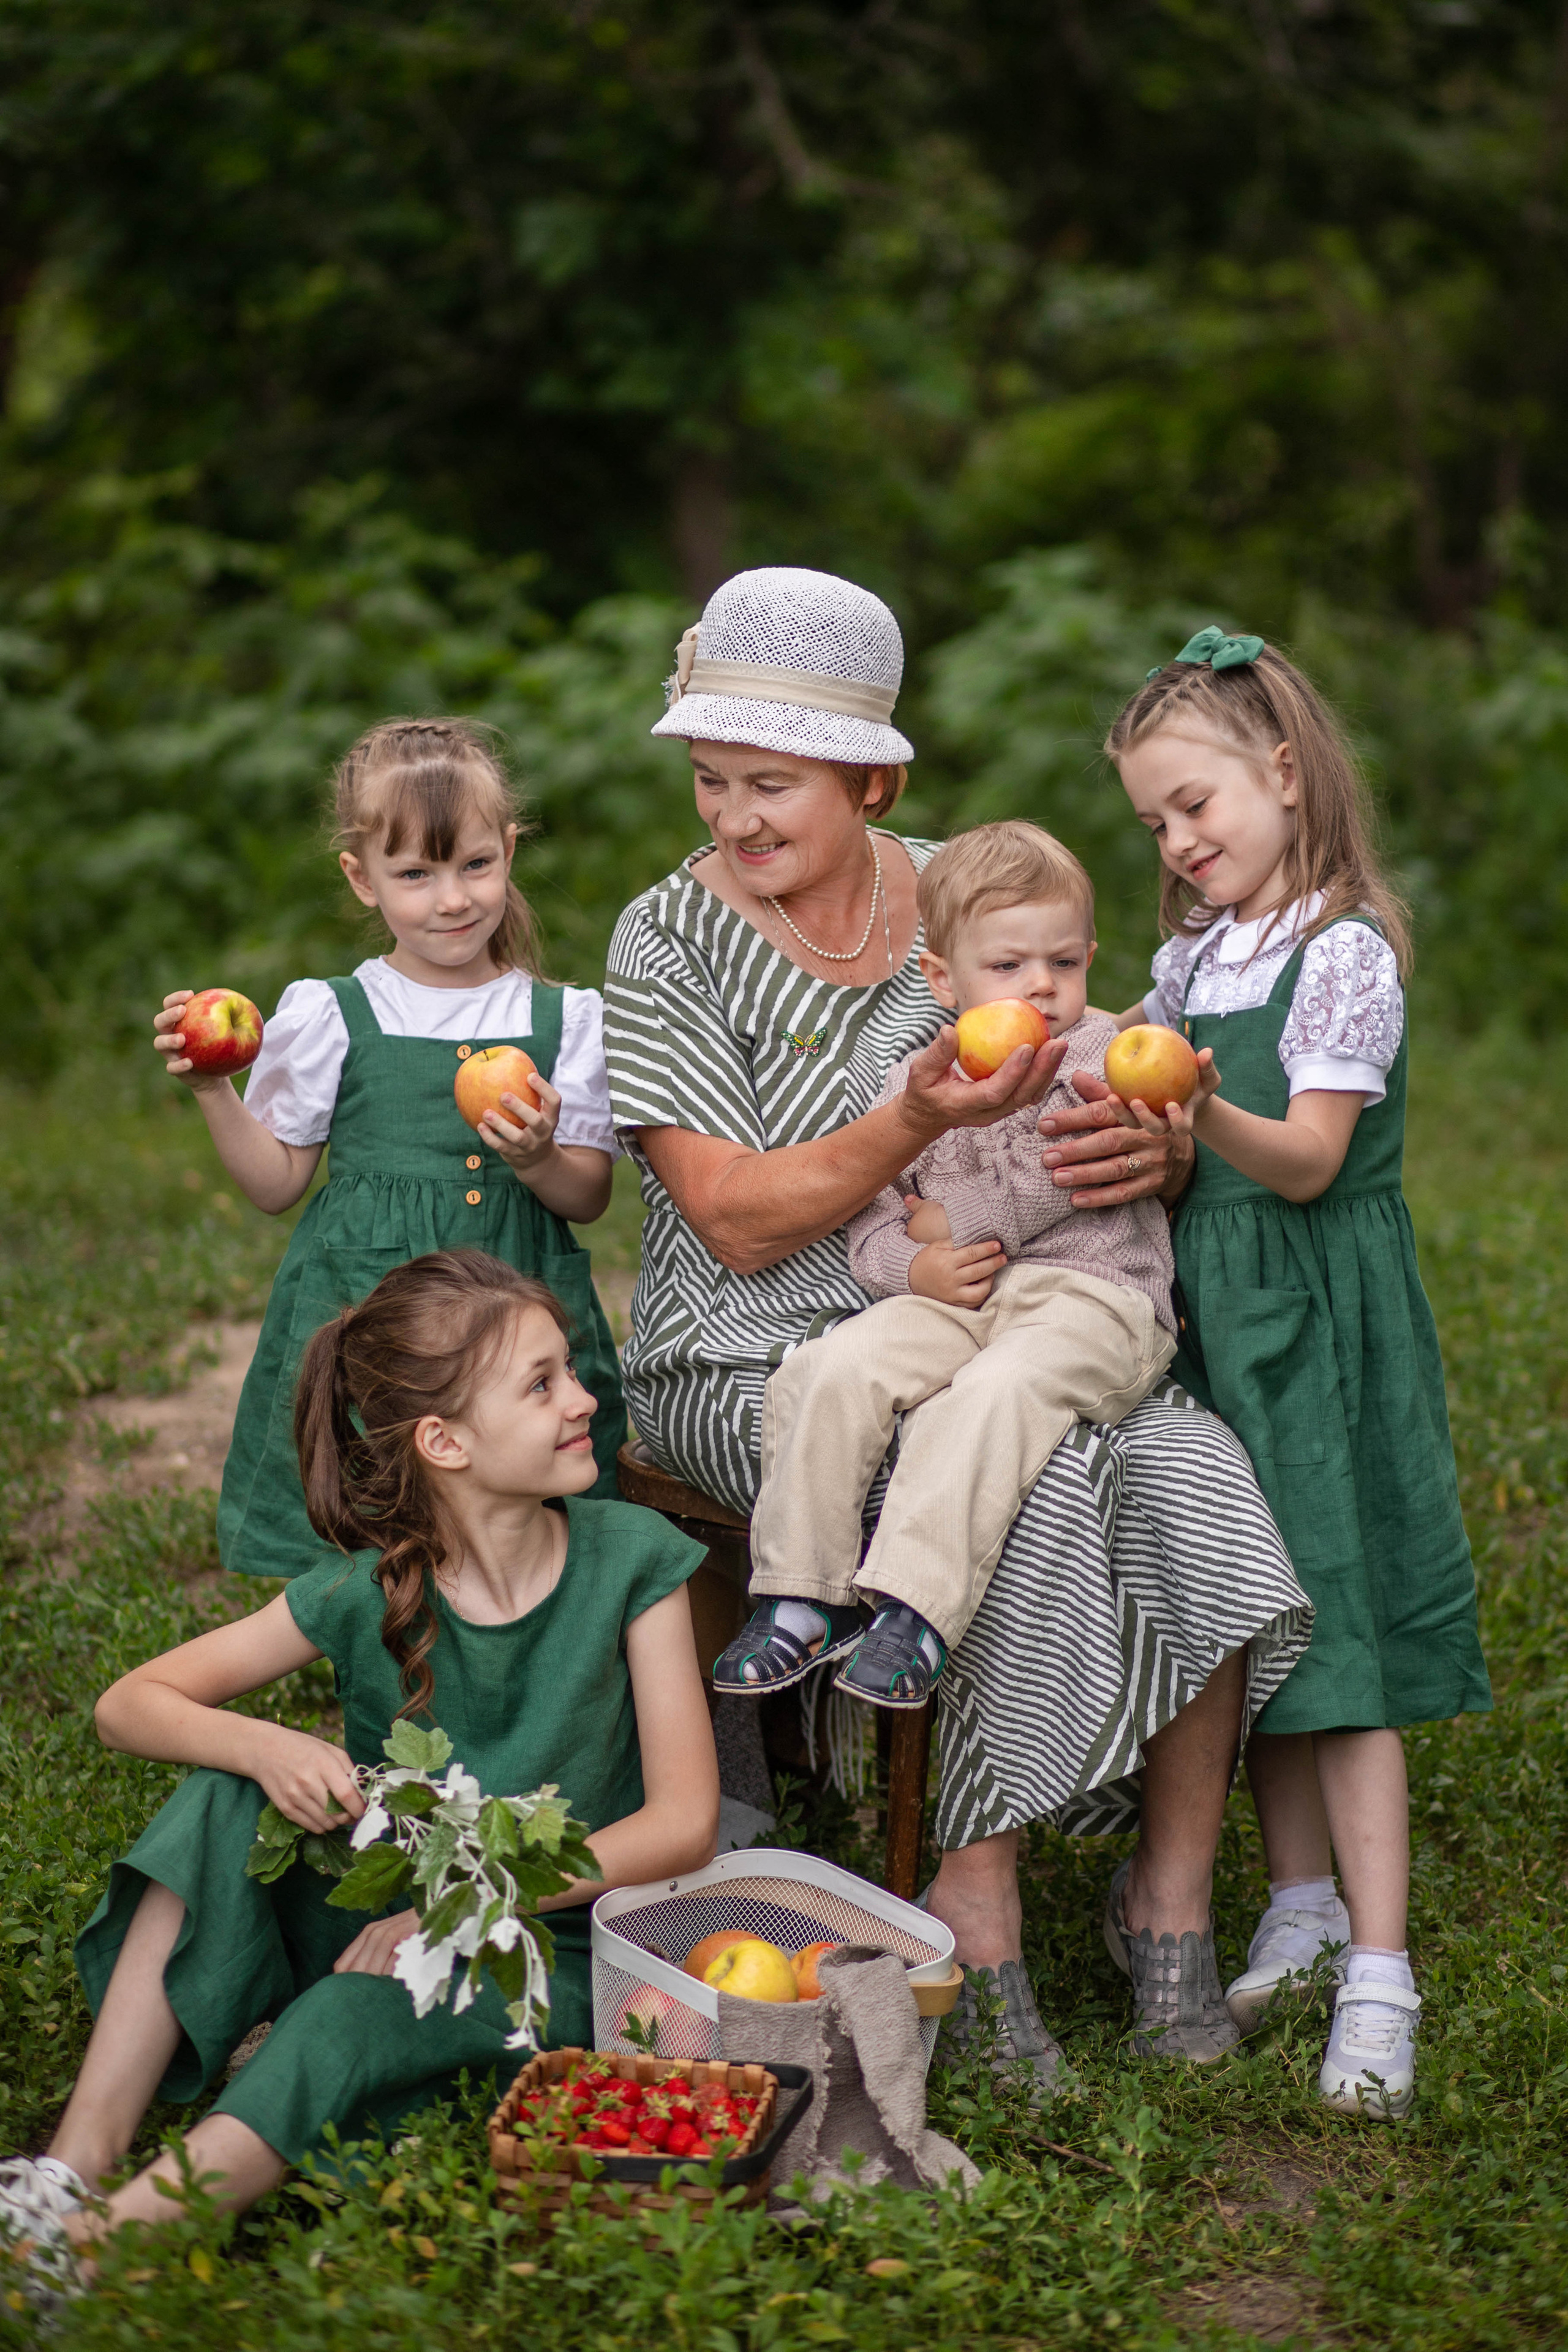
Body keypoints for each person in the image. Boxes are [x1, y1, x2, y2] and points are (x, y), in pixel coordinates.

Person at [605, 565, 1313, 2083]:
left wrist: (1154, 1150)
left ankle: (1164, 1901)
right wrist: (907, 1116)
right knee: (1042, 1477)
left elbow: (1113, 1067)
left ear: (875, 779)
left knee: (1190, 1459)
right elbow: (729, 1217)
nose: (731, 816)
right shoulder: (661, 937)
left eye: (770, 784)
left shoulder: (970, 899)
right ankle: (972, 1902)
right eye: (709, 777)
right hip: (752, 1353)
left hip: (1020, 1312)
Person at [0, 1250, 716, 2308]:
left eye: (572, 1372)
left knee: (333, 2023)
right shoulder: (369, 1587)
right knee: (226, 1797)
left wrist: (465, 1905)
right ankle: (72, 2170)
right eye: (543, 1383)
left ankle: (96, 2255)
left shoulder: (631, 1560)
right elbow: (129, 1704)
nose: (583, 1400)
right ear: (445, 1442)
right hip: (390, 1898)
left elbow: (683, 1826)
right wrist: (266, 1747)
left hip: (546, 1948)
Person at [1103, 626, 1491, 2119]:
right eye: (1153, 823)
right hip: (1213, 1314)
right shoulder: (1189, 963)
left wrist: (1194, 1117)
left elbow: (1313, 1160)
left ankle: (1382, 1970)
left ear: (1280, 771)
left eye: (1193, 805)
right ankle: (1300, 1903)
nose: (1177, 842)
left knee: (1344, 1621)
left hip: (1313, 1315)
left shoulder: (1342, 950)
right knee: (1254, 1619)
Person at [153, 717, 627, 1578]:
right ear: (361, 878)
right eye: (415, 874)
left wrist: (538, 1158)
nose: (452, 899)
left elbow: (587, 1196)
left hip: (513, 1298)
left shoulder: (564, 1020)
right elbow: (274, 1184)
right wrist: (212, 1089)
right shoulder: (332, 1012)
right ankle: (380, 1645)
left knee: (527, 1508)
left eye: (475, 865)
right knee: (378, 1491)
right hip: (374, 1307)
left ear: (509, 853)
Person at [729, 820, 1175, 1708]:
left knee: (992, 1393)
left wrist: (948, 1219)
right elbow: (870, 1229)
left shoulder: (1099, 1055)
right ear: (946, 980)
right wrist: (915, 1266)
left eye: (1063, 963)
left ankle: (915, 1612)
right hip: (962, 1299)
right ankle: (800, 1596)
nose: (1041, 988)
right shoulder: (915, 1089)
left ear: (1090, 959)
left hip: (1092, 1298)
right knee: (831, 1366)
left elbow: (1064, 1177)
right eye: (1008, 969)